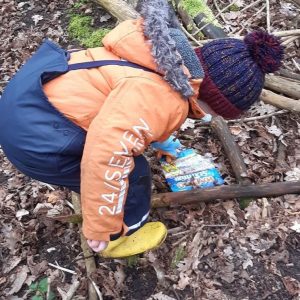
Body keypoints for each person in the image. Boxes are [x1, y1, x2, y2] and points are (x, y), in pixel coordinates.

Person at [0, 0, 284, 256]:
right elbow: (107, 153)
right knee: (134, 173)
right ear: (212, 99)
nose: (210, 117)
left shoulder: (159, 56)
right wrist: (101, 224)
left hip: (26, 98)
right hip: (34, 141)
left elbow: (131, 105)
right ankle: (121, 236)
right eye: (217, 112)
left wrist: (159, 138)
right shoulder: (165, 98)